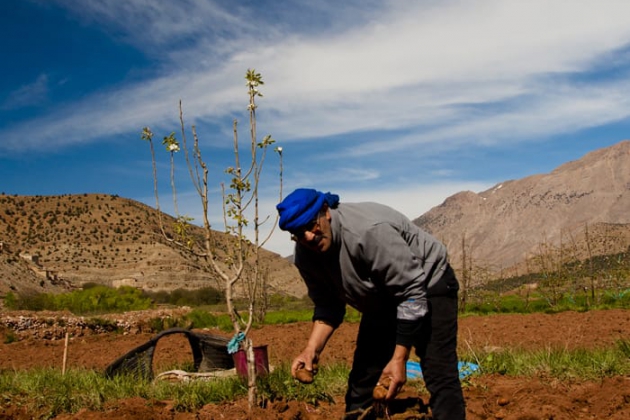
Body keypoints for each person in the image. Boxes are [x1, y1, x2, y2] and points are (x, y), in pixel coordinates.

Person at [276, 188, 465, 420]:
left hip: (427, 284)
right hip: (381, 297)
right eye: (297, 233)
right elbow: (328, 306)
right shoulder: (306, 254)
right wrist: (311, 350)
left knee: (439, 372)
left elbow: (411, 293)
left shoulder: (367, 231)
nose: (307, 237)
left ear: (326, 212)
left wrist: (399, 358)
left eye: (310, 225)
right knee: (363, 379)